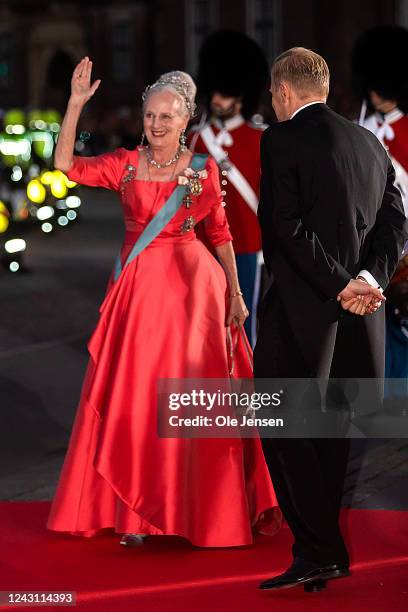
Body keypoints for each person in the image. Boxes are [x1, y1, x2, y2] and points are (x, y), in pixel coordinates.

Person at [46, 57, 281, 547]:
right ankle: (135, 512)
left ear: (185, 119)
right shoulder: (124, 165)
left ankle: (198, 509)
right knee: (134, 401)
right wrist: (74, 106)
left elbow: (220, 234)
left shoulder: (201, 168)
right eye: (150, 114)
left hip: (194, 297)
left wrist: (236, 295)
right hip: (138, 299)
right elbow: (64, 166)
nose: (156, 124)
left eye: (167, 116)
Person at [254, 47, 407, 591]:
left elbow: (285, 229)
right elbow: (396, 220)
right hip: (359, 318)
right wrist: (370, 281)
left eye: (273, 94)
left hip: (301, 316)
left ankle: (321, 549)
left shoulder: (280, 139)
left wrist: (343, 283)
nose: (272, 104)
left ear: (286, 91)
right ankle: (322, 553)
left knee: (280, 425)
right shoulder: (370, 142)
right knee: (332, 433)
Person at [190, 31, 269, 346]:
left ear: (241, 95)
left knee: (244, 323)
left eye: (226, 92)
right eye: (216, 90)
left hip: (247, 245)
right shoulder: (195, 139)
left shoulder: (262, 139)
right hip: (202, 245)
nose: (217, 98)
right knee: (202, 323)